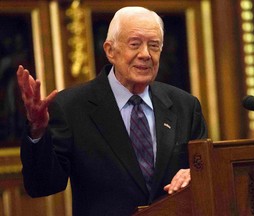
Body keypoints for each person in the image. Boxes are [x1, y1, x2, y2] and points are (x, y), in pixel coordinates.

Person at [17, 6, 208, 216]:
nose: (145, 54)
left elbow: (205, 171)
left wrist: (195, 174)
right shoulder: (71, 107)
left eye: (154, 46)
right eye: (135, 44)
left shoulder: (185, 106)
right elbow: (42, 185)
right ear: (110, 51)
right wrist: (37, 132)